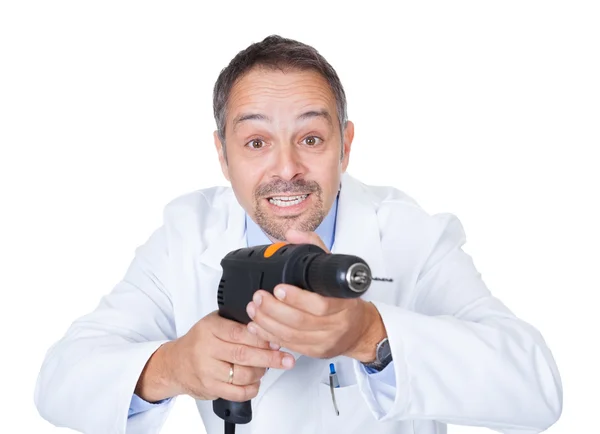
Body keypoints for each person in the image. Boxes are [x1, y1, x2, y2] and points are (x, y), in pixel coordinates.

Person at [34, 35, 563, 434]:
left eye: (310, 137)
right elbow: (59, 381)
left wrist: (369, 337)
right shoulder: (185, 237)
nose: (286, 170)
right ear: (222, 154)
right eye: (257, 142)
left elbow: (536, 391)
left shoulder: (411, 236)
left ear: (345, 145)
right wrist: (173, 366)